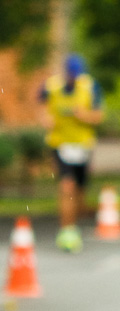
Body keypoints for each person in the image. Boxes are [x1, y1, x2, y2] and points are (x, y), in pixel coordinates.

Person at [39, 53, 105, 253]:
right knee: (67, 186)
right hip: (60, 144)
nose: (74, 79)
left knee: (80, 194)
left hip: (83, 146)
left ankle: (74, 224)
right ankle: (67, 230)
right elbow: (41, 107)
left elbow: (98, 116)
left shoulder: (90, 87)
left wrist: (83, 115)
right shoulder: (51, 86)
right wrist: (45, 119)